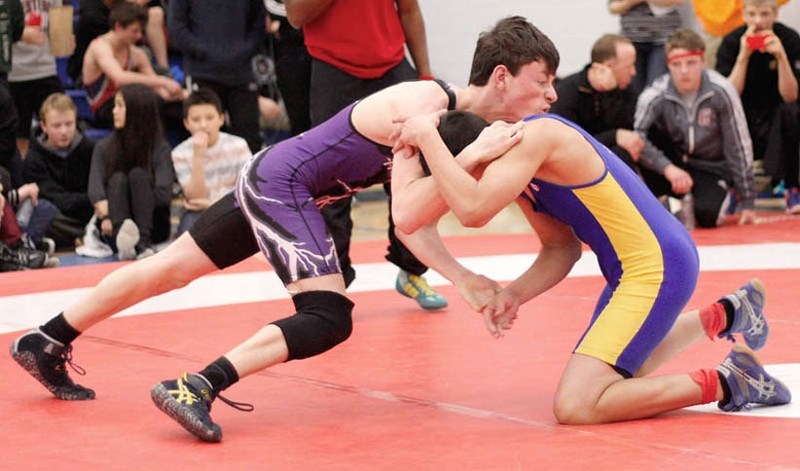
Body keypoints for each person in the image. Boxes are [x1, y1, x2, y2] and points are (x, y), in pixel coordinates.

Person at [10, 15, 554, 441]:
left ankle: (47, 337)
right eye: (542, 81)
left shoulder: (446, 123)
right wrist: (471, 172)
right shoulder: (423, 105)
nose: (552, 95)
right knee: (328, 315)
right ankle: (196, 385)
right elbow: (419, 213)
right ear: (502, 77)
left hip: (276, 178)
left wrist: (461, 278)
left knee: (169, 269)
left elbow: (408, 220)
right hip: (283, 186)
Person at [389, 105, 790, 424]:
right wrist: (513, 295)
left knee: (578, 404)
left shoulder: (533, 139)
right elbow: (560, 249)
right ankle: (726, 314)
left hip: (657, 266)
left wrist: (426, 136)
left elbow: (471, 209)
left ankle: (731, 381)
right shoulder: (518, 171)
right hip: (637, 269)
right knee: (621, 373)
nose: (549, 94)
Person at [286, 0, 444, 311]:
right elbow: (295, 16)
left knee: (414, 168)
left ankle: (412, 270)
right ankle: (335, 283)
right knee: (329, 181)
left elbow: (409, 10)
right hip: (334, 70)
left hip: (392, 66)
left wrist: (425, 75)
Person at [635, 28, 756, 228]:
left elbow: (738, 144)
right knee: (637, 142)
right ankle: (667, 202)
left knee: (708, 216)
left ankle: (705, 197)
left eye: (691, 63)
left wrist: (748, 201)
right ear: (668, 65)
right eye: (677, 64)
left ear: (703, 62)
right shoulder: (654, 95)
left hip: (710, 168)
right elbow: (637, 139)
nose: (684, 71)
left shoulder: (721, 91)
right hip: (670, 166)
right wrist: (667, 167)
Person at [714, 0, 800, 213]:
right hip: (744, 111)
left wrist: (781, 58)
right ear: (743, 14)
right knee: (724, 113)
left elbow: (790, 96)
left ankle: (792, 187)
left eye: (764, 14)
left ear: (775, 14)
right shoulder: (732, 41)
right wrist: (743, 57)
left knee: (792, 111)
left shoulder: (789, 39)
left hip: (777, 114)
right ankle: (732, 188)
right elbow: (727, 96)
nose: (758, 21)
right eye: (752, 14)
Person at [87, 83, 174, 260]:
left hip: (152, 225)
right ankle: (124, 242)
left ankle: (142, 242)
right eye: (114, 106)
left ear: (137, 110)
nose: (114, 111)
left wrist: (130, 203)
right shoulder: (104, 147)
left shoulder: (159, 147)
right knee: (118, 179)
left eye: (120, 106)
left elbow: (164, 193)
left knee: (137, 176)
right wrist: (109, 211)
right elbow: (95, 191)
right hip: (112, 223)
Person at [168, 0, 266, 152]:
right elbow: (176, 28)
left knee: (250, 138)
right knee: (205, 137)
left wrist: (245, 50)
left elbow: (258, 24)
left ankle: (250, 176)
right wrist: (203, 51)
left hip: (241, 73)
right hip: (203, 73)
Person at [82, 2, 185, 129]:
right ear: (118, 27)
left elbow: (157, 88)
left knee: (180, 109)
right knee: (148, 104)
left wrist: (178, 95)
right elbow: (119, 78)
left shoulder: (137, 54)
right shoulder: (99, 47)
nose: (139, 36)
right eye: (134, 31)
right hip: (107, 107)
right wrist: (163, 81)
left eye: (141, 31)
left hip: (129, 101)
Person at [551, 34, 645, 170]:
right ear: (608, 66)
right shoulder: (567, 92)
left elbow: (631, 131)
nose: (633, 72)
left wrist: (611, 93)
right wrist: (614, 136)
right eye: (629, 66)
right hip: (574, 165)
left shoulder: (626, 89)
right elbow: (569, 146)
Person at [171, 88, 251, 235]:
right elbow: (195, 198)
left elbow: (246, 192)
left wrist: (212, 204)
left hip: (234, 209)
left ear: (221, 119)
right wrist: (198, 155)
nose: (203, 125)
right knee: (188, 231)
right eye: (196, 120)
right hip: (198, 213)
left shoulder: (238, 145)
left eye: (209, 118)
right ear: (186, 123)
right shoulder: (179, 153)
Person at [23, 92, 96, 250]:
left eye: (69, 124)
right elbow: (56, 200)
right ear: (43, 126)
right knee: (41, 210)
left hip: (90, 214)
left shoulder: (91, 149)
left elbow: (98, 191)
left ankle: (86, 234)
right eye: (57, 126)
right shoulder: (33, 158)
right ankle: (86, 235)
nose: (64, 131)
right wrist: (87, 199)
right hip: (59, 218)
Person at [8, 0, 66, 158]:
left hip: (46, 69)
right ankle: (20, 178)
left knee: (61, 125)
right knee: (19, 137)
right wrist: (20, 33)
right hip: (14, 73)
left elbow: (59, 30)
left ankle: (55, 175)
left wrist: (65, 39)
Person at [608, 0, 685, 94]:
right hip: (631, 40)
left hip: (663, 39)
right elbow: (613, 7)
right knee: (631, 90)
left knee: (656, 90)